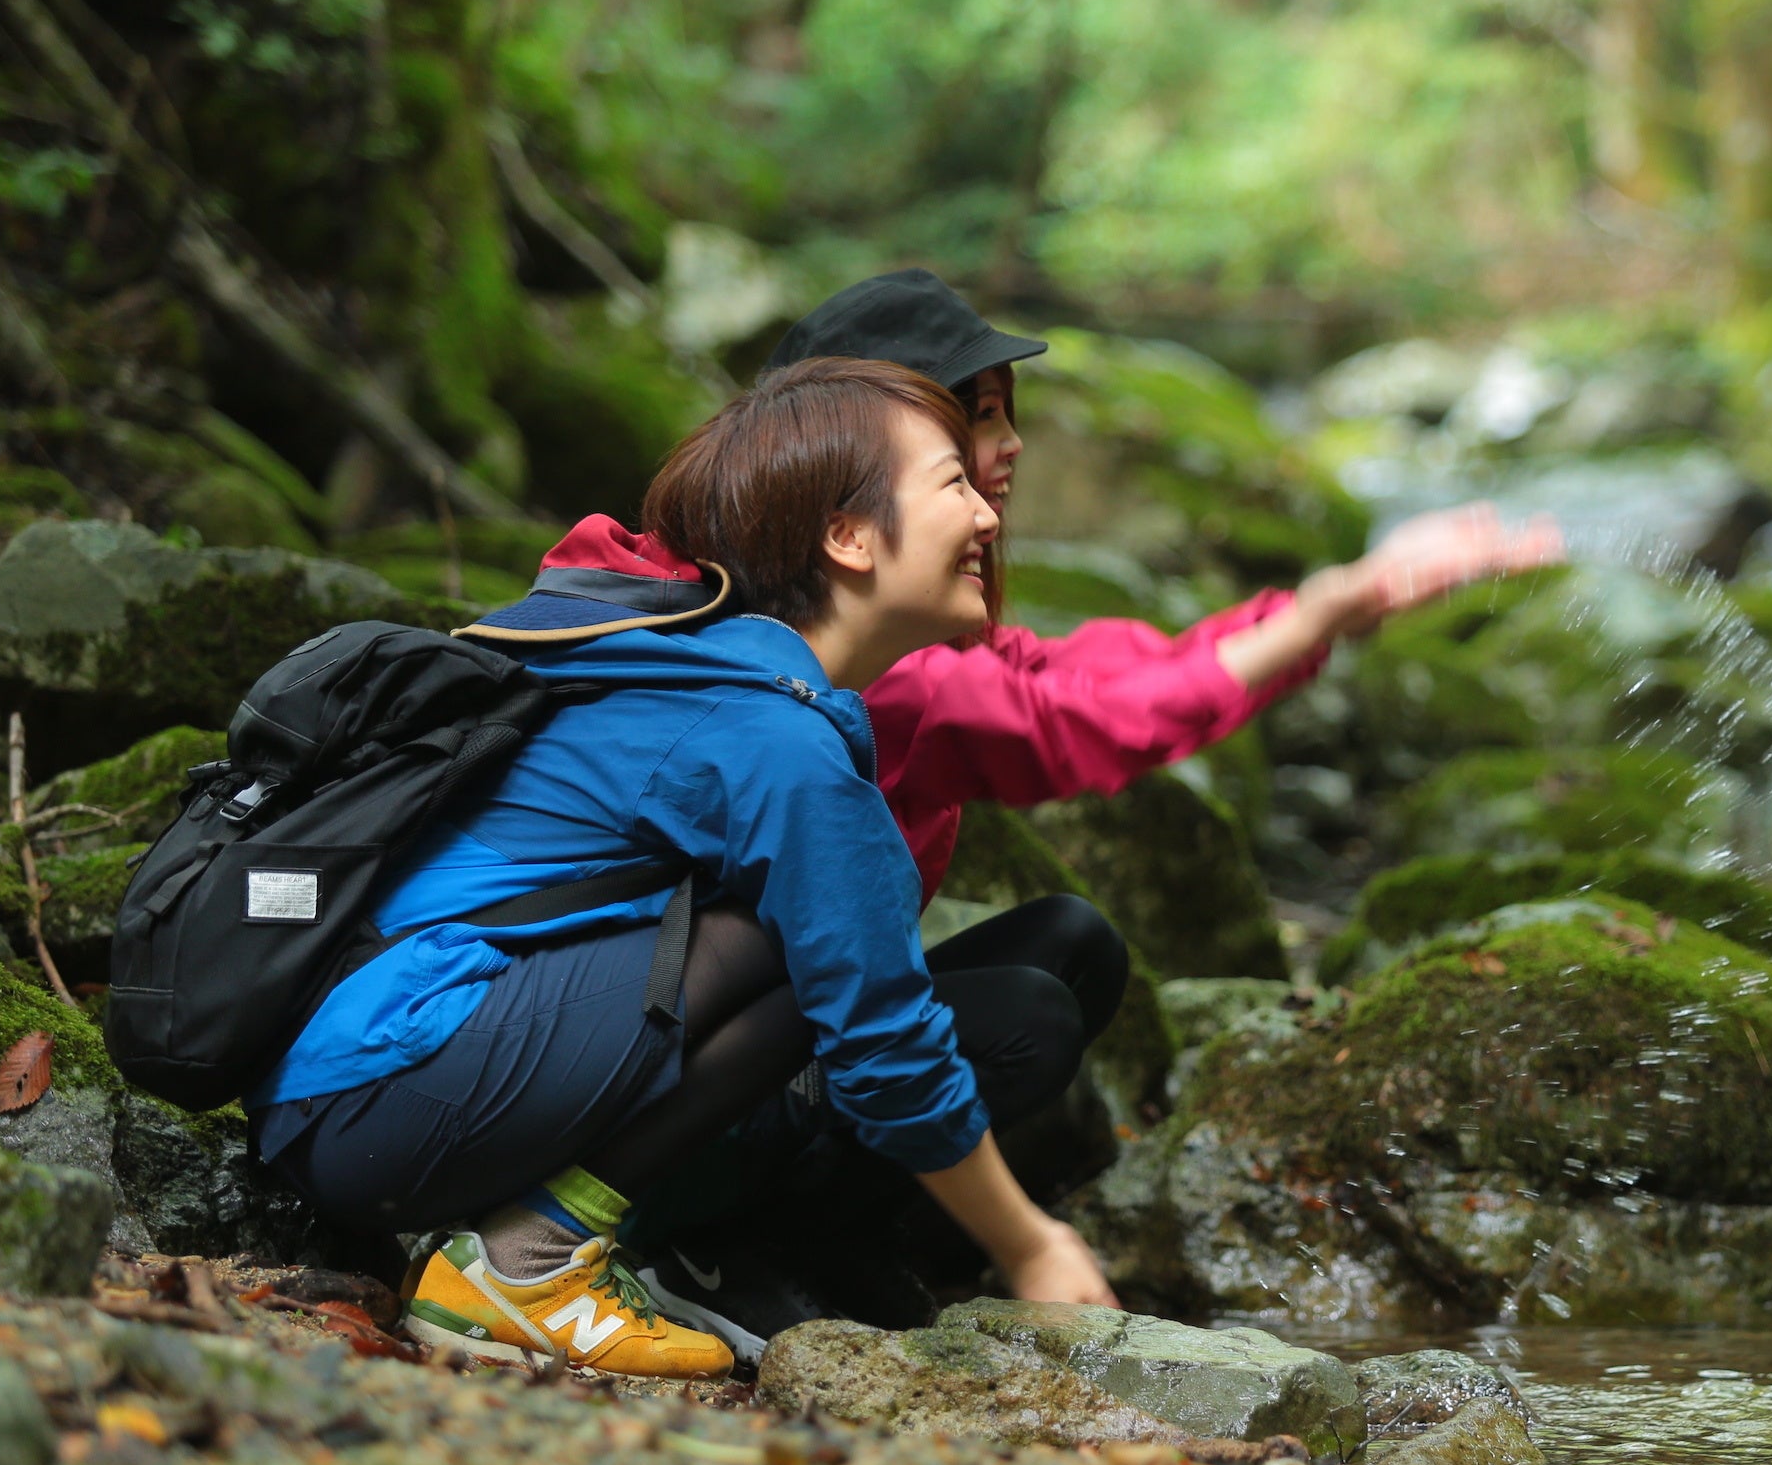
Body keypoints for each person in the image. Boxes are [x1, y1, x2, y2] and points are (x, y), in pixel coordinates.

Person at [495, 270, 1558, 1336]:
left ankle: (820, 1233)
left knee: (1069, 942)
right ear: (843, 490)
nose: (1006, 449)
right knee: (1023, 1017)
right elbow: (1078, 720)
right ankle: (714, 1245)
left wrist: (1321, 609)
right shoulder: (848, 662)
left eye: (1006, 413)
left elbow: (1073, 673)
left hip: (698, 1028)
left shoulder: (774, 596)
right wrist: (1331, 605)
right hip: (651, 1068)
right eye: (975, 418)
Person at [246, 356, 1118, 1379]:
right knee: (817, 944)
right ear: (847, 536)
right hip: (382, 1101)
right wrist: (1030, 1243)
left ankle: (649, 1241)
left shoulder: (691, 665)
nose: (987, 513)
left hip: (350, 1087)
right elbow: (883, 1035)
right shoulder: (767, 737)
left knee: (850, 935)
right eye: (952, 483)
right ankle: (528, 1262)